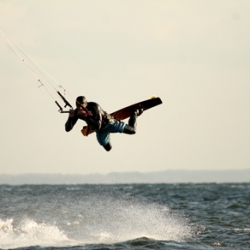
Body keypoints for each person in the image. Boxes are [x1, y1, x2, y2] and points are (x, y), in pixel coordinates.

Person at [65, 96, 143, 151]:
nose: (80, 108)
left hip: (109, 124)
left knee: (133, 131)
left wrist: (87, 117)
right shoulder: (77, 113)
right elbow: (67, 129)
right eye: (78, 106)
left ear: (86, 104)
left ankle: (134, 113)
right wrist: (70, 118)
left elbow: (98, 125)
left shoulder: (94, 106)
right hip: (100, 131)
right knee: (108, 148)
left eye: (82, 106)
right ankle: (107, 135)